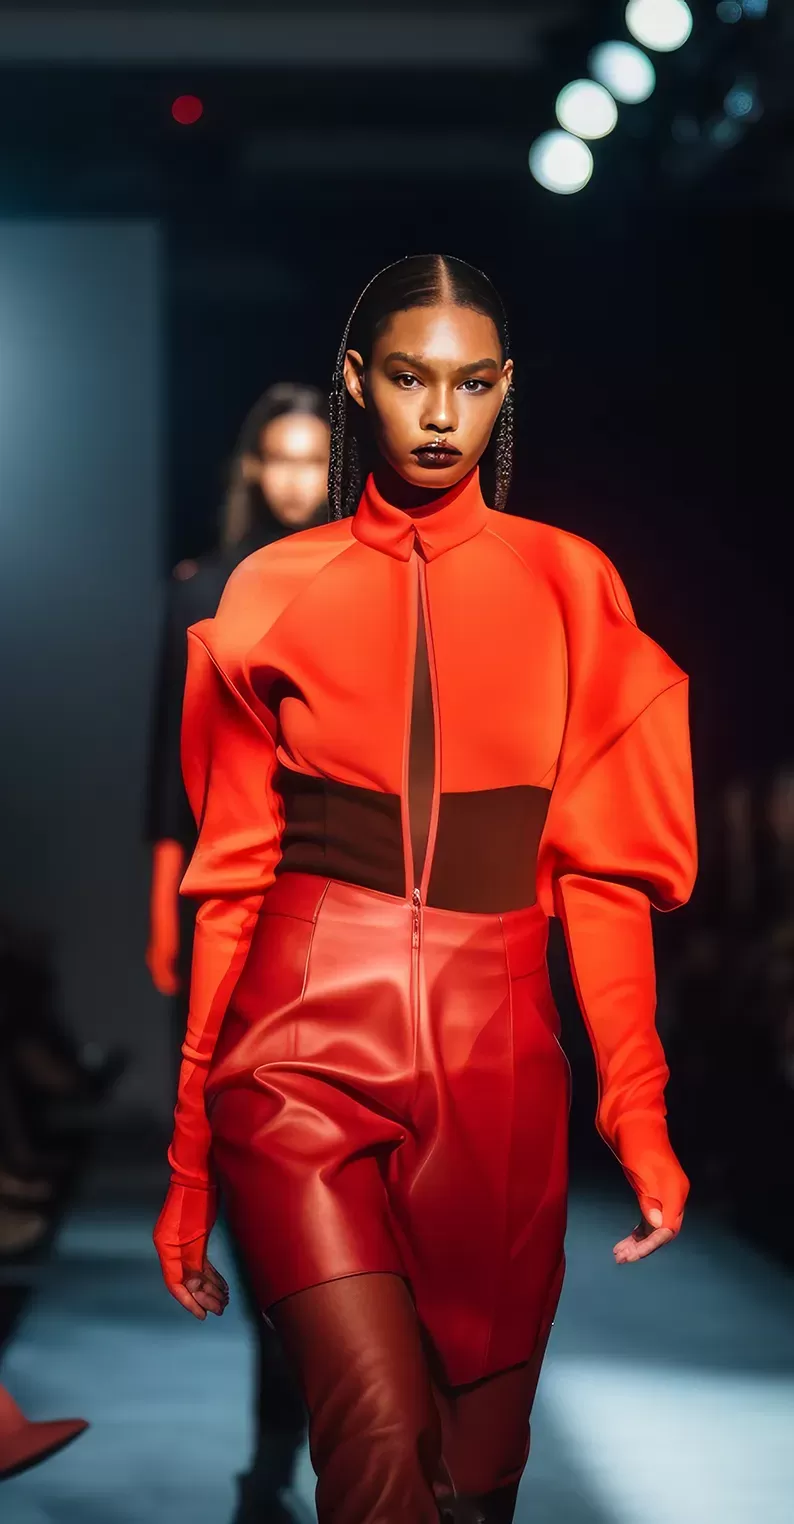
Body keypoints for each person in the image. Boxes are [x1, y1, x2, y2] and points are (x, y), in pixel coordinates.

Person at [153, 255, 697, 1524]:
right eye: (408, 379)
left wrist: (639, 1103)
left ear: (505, 390)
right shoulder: (266, 595)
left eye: (469, 383)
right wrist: (188, 1151)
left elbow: (604, 873)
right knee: (379, 1452)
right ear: (359, 383)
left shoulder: (571, 587)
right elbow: (230, 881)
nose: (440, 415)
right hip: (295, 1046)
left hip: (497, 1050)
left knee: (470, 1489)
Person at [147, 383, 330, 1524]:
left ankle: (301, 1456)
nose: (296, 479)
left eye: (315, 459)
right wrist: (161, 907)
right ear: (252, 467)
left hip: (330, 919)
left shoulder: (363, 584)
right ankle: (273, 1457)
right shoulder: (200, 592)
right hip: (231, 918)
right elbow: (157, 771)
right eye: (279, 458)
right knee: (267, 1213)